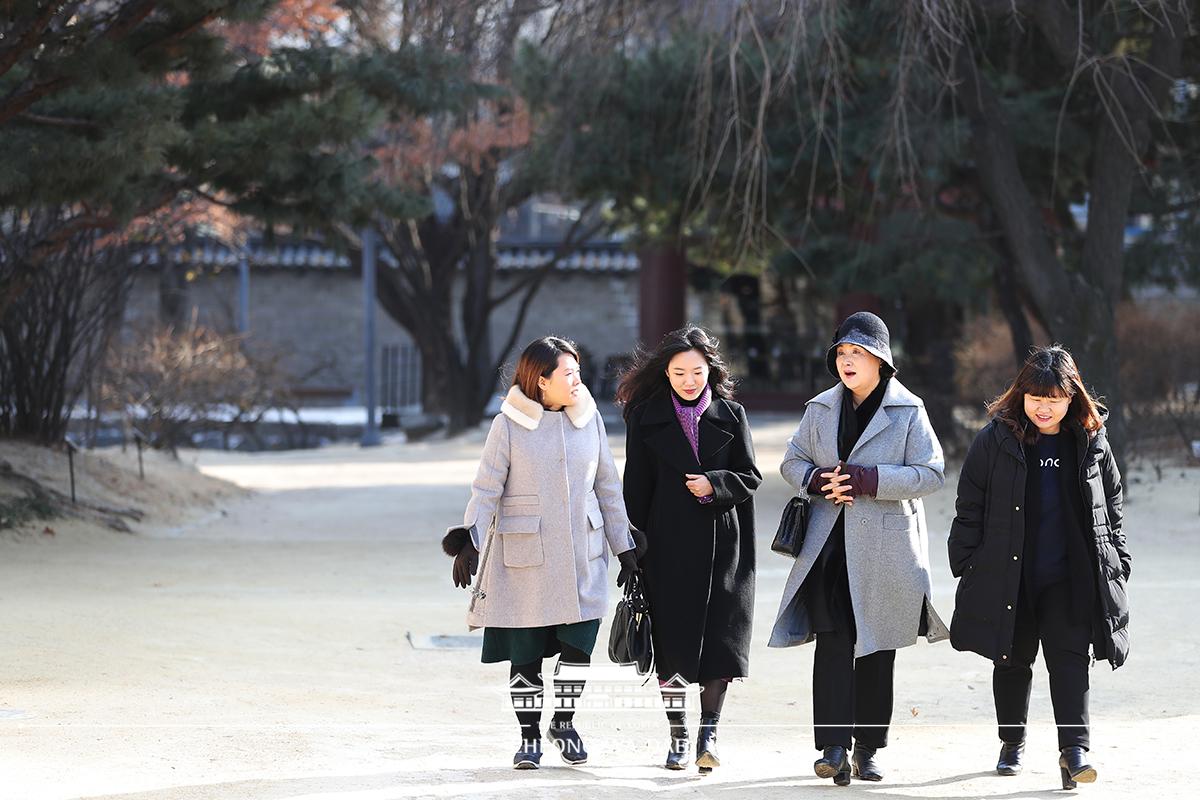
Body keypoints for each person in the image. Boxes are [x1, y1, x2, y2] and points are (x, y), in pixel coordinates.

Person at [768, 311, 949, 786]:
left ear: (881, 361)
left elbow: (931, 473)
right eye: (841, 353)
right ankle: (832, 747)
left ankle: (868, 749)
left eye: (857, 353)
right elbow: (792, 459)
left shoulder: (909, 411)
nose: (847, 362)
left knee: (877, 645)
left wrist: (871, 480)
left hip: (886, 547)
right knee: (832, 642)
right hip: (827, 545)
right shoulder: (820, 408)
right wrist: (814, 478)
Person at [441, 336, 639, 769]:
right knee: (525, 653)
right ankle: (529, 736)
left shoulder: (591, 420)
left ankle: (563, 723)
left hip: (582, 554)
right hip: (526, 557)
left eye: (578, 372)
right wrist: (469, 539)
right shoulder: (507, 425)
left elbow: (607, 486)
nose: (577, 381)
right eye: (568, 374)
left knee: (579, 647)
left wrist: (624, 547)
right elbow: (487, 487)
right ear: (541, 380)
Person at [948, 345, 1129, 790]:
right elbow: (970, 504)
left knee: (1071, 660)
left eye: (1053, 398)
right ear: (1021, 394)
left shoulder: (1090, 440)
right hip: (1010, 574)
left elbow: (1113, 505)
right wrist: (967, 562)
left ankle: (1075, 752)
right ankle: (1012, 742)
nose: (1042, 407)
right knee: (1011, 660)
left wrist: (1118, 560)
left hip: (1070, 576)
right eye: (1034, 397)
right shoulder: (995, 439)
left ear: (1072, 397)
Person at [618, 325, 762, 773]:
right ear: (666, 373)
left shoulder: (732, 414)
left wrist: (713, 484)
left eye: (696, 371)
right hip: (665, 546)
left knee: (722, 640)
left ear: (710, 371)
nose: (688, 380)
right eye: (679, 372)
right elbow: (634, 488)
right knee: (673, 643)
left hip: (726, 545)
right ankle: (678, 735)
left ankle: (709, 733)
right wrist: (632, 549)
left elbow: (751, 476)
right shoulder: (645, 417)